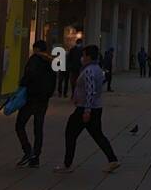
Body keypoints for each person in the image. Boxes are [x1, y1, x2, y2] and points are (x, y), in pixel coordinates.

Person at [56, 45, 119, 173]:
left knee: (71, 133)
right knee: (97, 135)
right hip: (95, 107)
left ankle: (67, 164)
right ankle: (112, 160)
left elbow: (91, 91)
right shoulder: (97, 69)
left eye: (83, 55)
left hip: (85, 108)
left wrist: (87, 110)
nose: (82, 58)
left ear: (89, 57)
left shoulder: (89, 70)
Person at [16, 39, 56, 168]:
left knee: (20, 125)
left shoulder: (34, 60)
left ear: (36, 49)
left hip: (31, 99)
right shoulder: (50, 62)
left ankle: (28, 150)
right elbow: (53, 81)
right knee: (38, 129)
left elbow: (28, 77)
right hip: (43, 101)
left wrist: (22, 86)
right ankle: (36, 157)